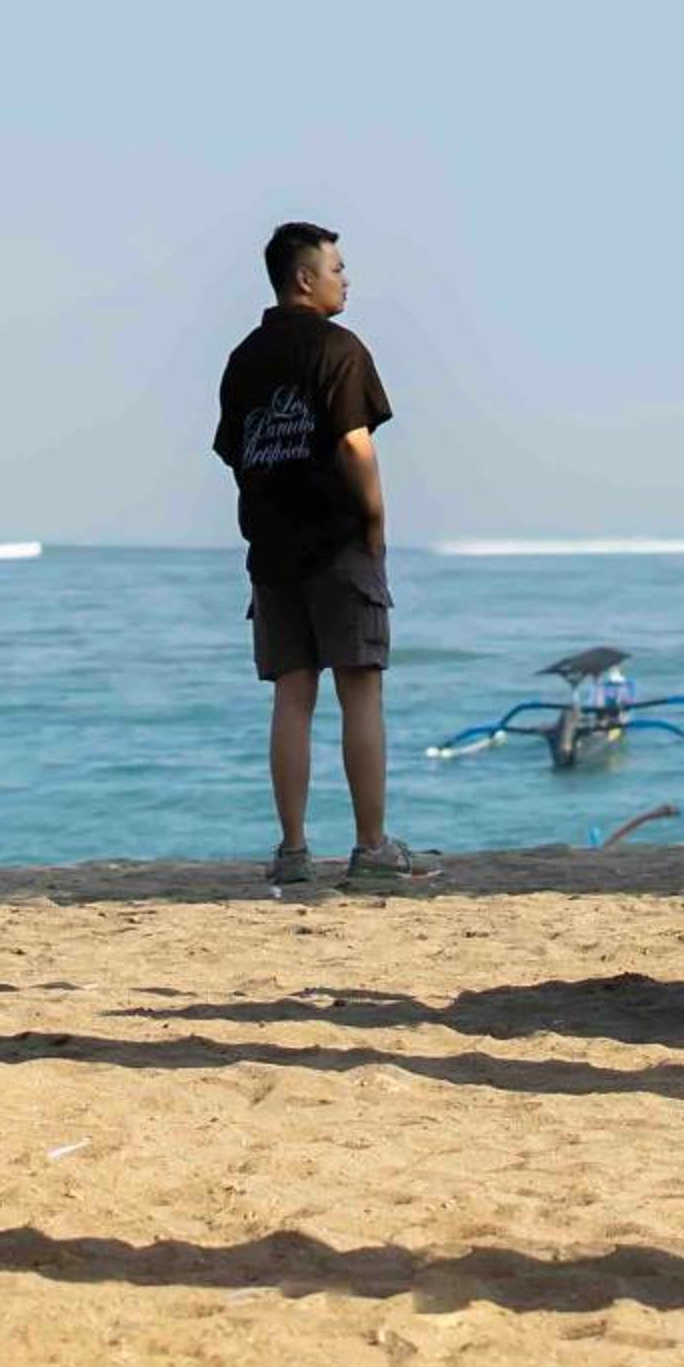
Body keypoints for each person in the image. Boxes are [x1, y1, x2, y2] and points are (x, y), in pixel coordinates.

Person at [212, 222, 434, 887]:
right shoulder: (340, 348)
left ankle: (293, 851)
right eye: (336, 268)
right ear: (304, 278)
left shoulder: (243, 359)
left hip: (271, 552)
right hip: (338, 543)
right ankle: (371, 848)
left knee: (292, 696)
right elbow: (354, 444)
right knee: (360, 690)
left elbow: (236, 454)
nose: (346, 279)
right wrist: (376, 521)